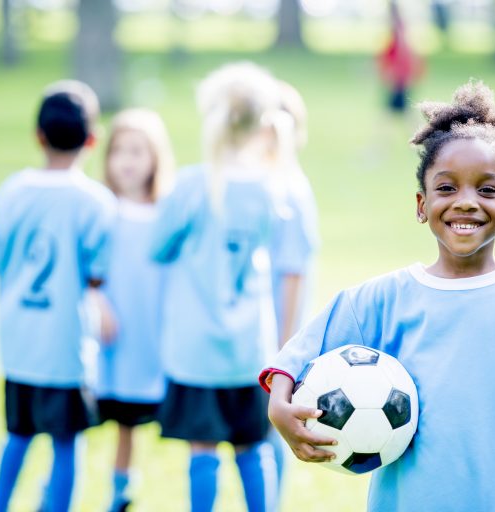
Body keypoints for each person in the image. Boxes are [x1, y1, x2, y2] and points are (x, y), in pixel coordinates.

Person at [261, 81, 495, 512]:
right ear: (421, 204)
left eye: (487, 190)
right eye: (447, 188)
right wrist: (279, 408)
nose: (466, 203)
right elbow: (296, 357)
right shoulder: (381, 299)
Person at [149, 62, 284, 512]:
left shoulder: (191, 185)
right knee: (253, 447)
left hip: (196, 351)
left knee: (202, 449)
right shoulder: (272, 189)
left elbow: (158, 246)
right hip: (249, 351)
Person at [0, 80, 116, 512]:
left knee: (17, 436)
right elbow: (96, 277)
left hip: (19, 342)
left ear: (38, 135)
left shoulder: (11, 191)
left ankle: (0, 505)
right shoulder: (96, 202)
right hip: (65, 347)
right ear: (92, 140)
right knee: (66, 442)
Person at [92, 109, 175, 512]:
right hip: (114, 331)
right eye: (119, 151)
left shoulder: (167, 213)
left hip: (156, 332)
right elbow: (86, 269)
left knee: (169, 417)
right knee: (121, 420)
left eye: (138, 151)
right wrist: (98, 303)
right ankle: (120, 491)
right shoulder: (102, 210)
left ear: (156, 158)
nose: (127, 160)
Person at [264, 80, 320, 501]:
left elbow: (294, 272)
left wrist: (283, 346)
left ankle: (272, 499)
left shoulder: (291, 191)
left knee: (273, 426)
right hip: (253, 329)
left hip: (278, 335)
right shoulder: (259, 187)